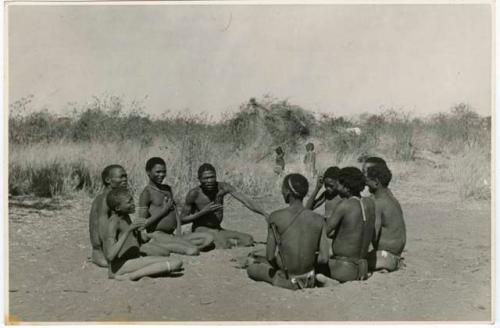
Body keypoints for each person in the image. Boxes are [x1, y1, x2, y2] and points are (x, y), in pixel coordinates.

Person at [246, 174, 329, 290]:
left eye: (282, 190)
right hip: (309, 279)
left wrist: (282, 267)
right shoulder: (319, 219)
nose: (282, 193)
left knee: (252, 269)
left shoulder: (275, 217)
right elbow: (324, 258)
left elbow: (269, 257)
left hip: (286, 279)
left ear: (287, 192)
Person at [180, 163, 269, 249]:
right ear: (199, 179)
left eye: (212, 177)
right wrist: (202, 212)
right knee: (224, 244)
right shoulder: (194, 193)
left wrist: (264, 213)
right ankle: (196, 238)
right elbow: (182, 219)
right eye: (206, 178)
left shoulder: (222, 187)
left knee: (248, 240)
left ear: (216, 176)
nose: (209, 181)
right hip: (201, 229)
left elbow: (245, 201)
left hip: (217, 228)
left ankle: (218, 239)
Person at [138, 157, 214, 255]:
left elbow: (176, 213)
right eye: (158, 172)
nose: (161, 175)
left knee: (209, 239)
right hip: (157, 234)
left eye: (164, 171)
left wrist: (179, 232)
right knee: (193, 250)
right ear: (148, 172)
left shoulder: (167, 189)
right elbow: (141, 225)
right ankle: (159, 244)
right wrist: (163, 210)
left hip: (172, 235)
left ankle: (176, 244)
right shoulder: (147, 193)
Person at [103, 188, 183, 280]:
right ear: (118, 208)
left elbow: (134, 242)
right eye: (129, 202)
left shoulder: (125, 217)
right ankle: (131, 276)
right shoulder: (113, 223)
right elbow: (110, 256)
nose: (133, 204)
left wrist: (138, 231)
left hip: (132, 261)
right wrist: (129, 230)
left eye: (132, 199)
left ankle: (138, 272)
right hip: (119, 267)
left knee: (176, 262)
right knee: (176, 263)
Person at [316, 167, 376, 286]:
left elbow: (324, 232)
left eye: (338, 183)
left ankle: (330, 281)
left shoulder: (344, 205)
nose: (336, 186)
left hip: (344, 268)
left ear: (346, 187)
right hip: (363, 268)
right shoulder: (370, 203)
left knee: (304, 263)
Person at [364, 163, 406, 272]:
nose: (366, 183)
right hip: (394, 256)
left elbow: (374, 235)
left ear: (376, 182)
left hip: (385, 256)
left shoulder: (379, 204)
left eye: (368, 180)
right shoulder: (391, 198)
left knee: (355, 262)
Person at [89, 164, 128, 267]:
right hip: (101, 249)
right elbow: (102, 227)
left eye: (125, 176)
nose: (125, 179)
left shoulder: (117, 198)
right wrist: (107, 252)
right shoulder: (104, 199)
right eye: (121, 177)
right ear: (108, 180)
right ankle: (97, 255)